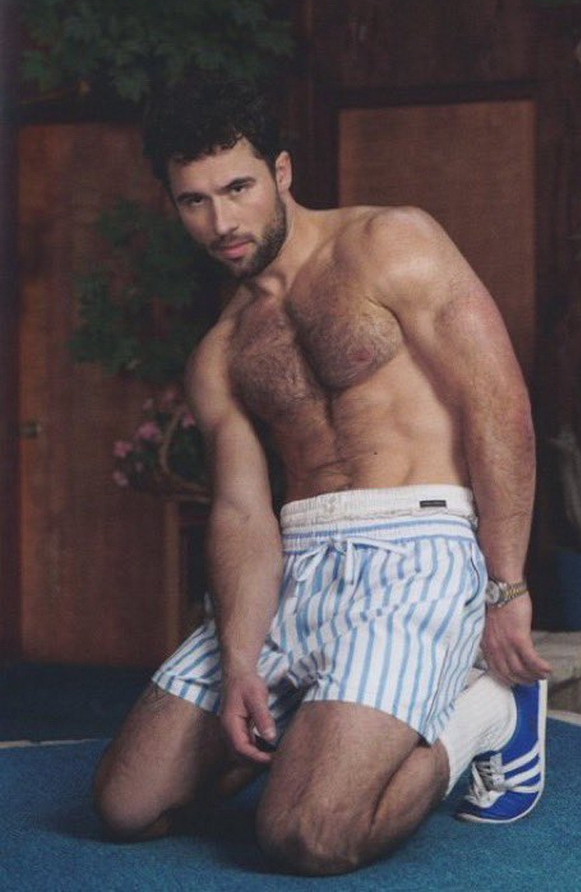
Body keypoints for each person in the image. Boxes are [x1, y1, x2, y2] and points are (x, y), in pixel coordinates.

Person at [94, 76, 551, 876]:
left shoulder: (390, 242)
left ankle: (483, 713)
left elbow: (497, 403)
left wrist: (504, 585)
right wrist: (242, 660)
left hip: (416, 547)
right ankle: (327, 714)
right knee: (128, 804)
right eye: (194, 200)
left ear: (280, 171)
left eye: (237, 188)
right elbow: (242, 513)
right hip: (294, 566)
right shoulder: (219, 352)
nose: (221, 222)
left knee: (307, 833)